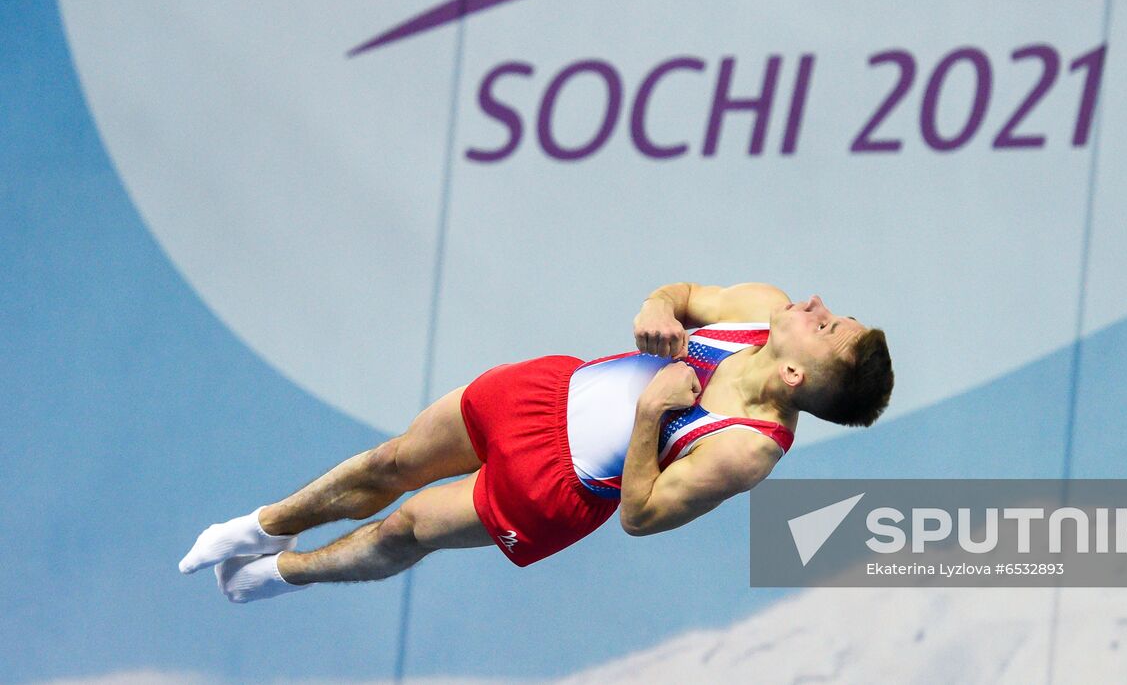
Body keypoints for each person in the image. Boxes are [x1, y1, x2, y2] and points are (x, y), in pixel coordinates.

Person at [179, 282, 894, 602]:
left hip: (557, 486)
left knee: (408, 525)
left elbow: (641, 516)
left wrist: (651, 417)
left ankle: (280, 576)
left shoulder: (748, 448)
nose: (817, 305)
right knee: (392, 460)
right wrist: (654, 307)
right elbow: (677, 293)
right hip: (544, 391)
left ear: (797, 373)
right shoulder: (758, 307)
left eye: (827, 326)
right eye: (838, 312)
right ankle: (255, 526)